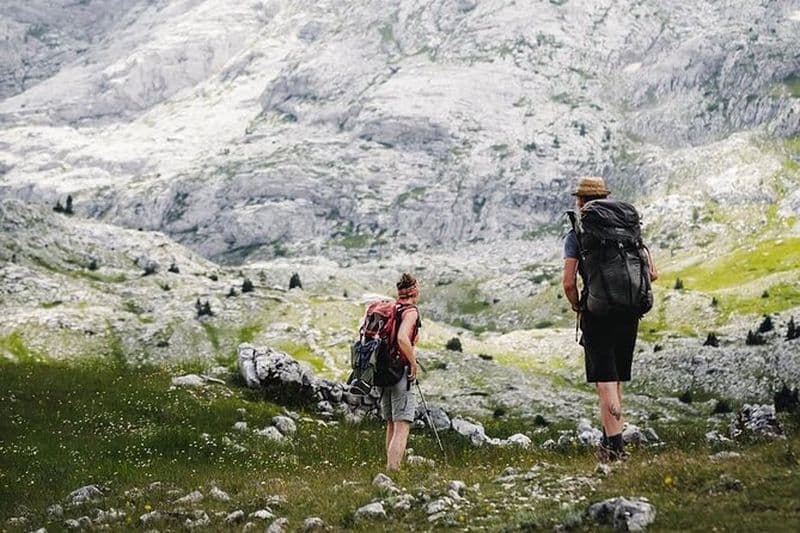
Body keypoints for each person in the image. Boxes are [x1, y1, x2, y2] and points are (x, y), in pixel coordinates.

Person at [562, 176, 658, 461]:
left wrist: (579, 304)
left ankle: (615, 448)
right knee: (616, 379)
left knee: (604, 381)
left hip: (598, 312)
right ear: (605, 198)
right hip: (630, 312)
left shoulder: (577, 234)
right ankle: (609, 441)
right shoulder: (627, 229)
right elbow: (652, 273)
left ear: (581, 201)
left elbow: (568, 282)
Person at [381, 273, 422, 471]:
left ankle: (389, 467)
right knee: (402, 424)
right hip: (400, 372)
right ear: (414, 291)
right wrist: (413, 363)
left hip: (384, 371)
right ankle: (394, 470)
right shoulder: (410, 311)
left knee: (391, 423)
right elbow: (402, 338)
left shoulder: (392, 308)